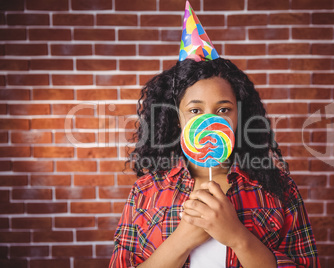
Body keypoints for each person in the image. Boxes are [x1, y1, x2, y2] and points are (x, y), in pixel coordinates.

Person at [109, 2, 320, 267]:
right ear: (176, 120)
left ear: (239, 117)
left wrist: (237, 236)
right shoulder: (146, 191)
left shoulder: (278, 189)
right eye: (195, 110)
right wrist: (183, 239)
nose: (209, 121)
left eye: (223, 109)